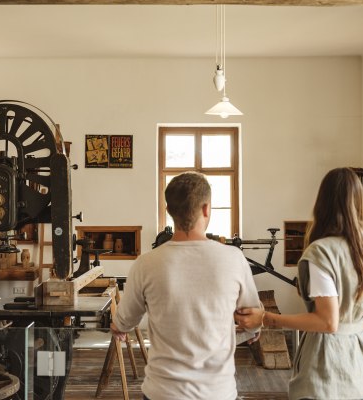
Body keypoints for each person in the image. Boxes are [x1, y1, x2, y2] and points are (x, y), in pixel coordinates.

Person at [234, 167, 363, 400]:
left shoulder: (321, 251)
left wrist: (266, 318)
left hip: (324, 371)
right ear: (360, 204)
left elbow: (327, 321)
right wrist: (350, 326)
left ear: (322, 204)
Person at [111, 171, 262, 400]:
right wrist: (247, 330)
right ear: (206, 209)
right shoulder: (234, 259)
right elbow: (252, 321)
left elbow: (124, 320)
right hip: (217, 393)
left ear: (169, 210)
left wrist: (119, 327)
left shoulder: (146, 263)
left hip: (162, 393)